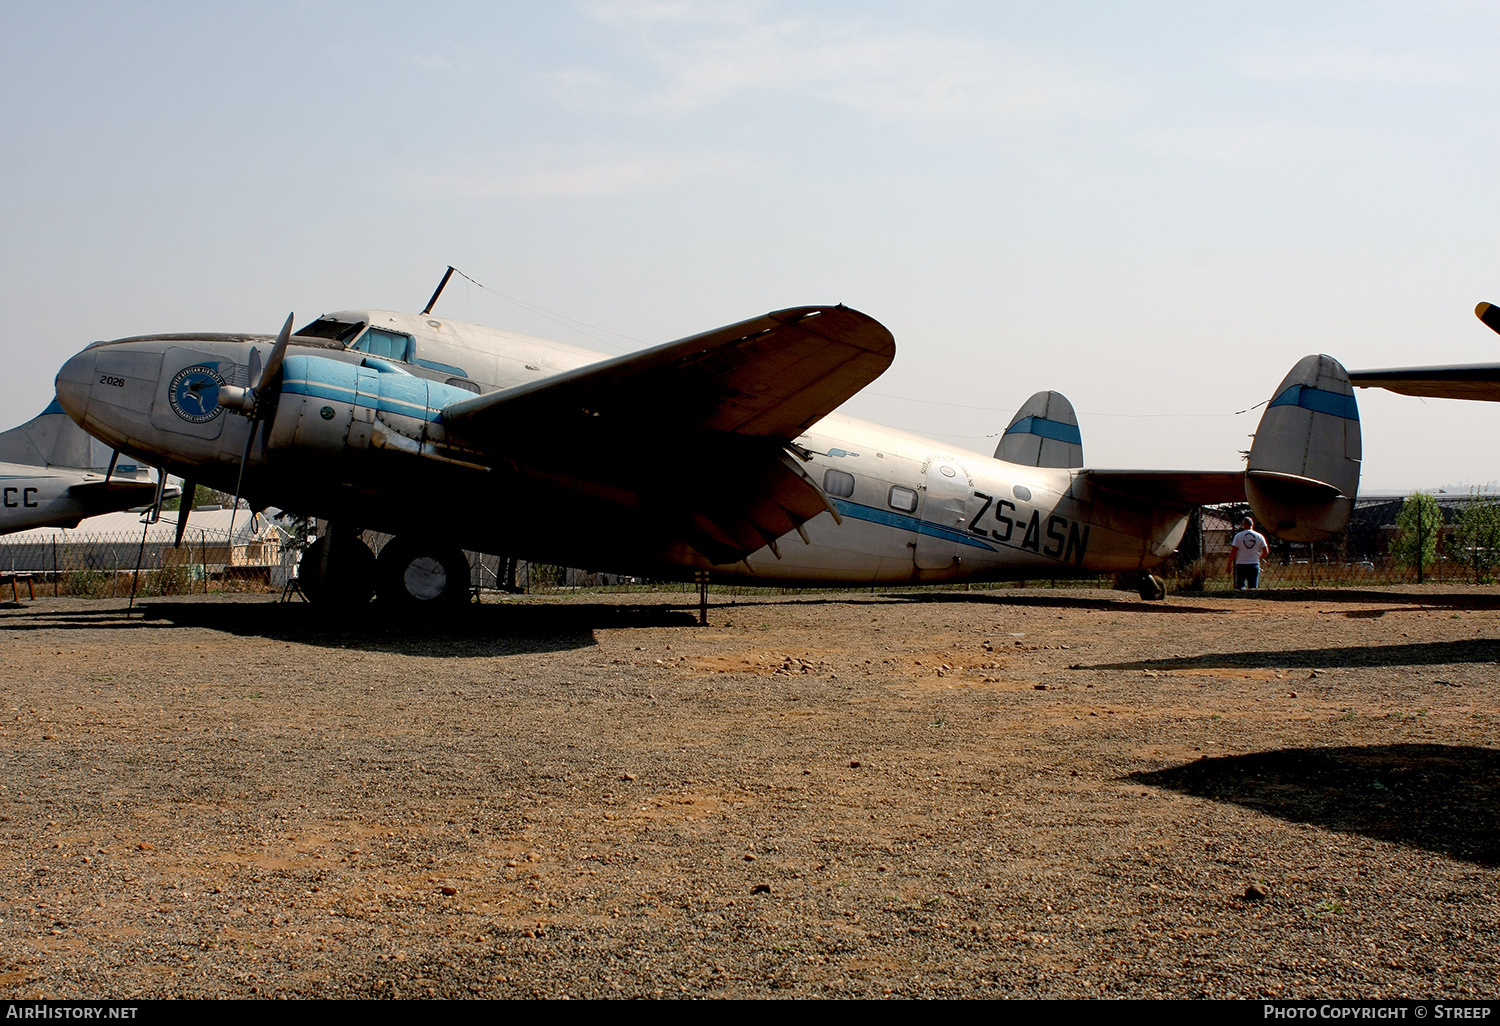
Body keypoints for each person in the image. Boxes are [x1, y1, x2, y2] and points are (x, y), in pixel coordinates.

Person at [1228, 516, 1270, 590]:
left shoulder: (1238, 536)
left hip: (1241, 563)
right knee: (1253, 587)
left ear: (1244, 524)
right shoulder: (1259, 536)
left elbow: (1233, 552)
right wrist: (1259, 557)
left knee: (1240, 586)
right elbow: (1266, 551)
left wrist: (1229, 564)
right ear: (1252, 524)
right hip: (1254, 563)